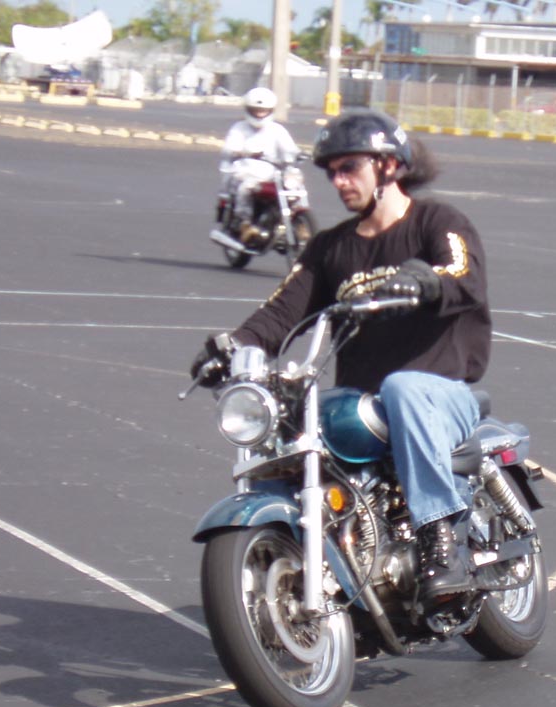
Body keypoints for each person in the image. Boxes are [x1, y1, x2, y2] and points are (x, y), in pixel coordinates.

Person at [190, 109, 492, 606]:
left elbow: (462, 271)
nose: (338, 181)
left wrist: (423, 280)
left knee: (403, 386)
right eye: (332, 172)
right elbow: (280, 312)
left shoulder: (439, 222)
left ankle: (440, 538)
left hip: (440, 393)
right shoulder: (330, 248)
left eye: (349, 167)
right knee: (294, 418)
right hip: (364, 402)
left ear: (388, 165)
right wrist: (233, 346)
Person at [219, 86, 301, 247]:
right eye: (256, 110)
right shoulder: (239, 128)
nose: (259, 114)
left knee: (295, 183)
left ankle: (297, 223)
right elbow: (229, 148)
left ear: (271, 110)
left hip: (271, 173)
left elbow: (289, 148)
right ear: (248, 110)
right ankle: (245, 224)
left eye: (263, 111)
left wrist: (298, 154)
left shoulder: (277, 130)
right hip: (245, 171)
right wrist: (243, 152)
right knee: (246, 187)